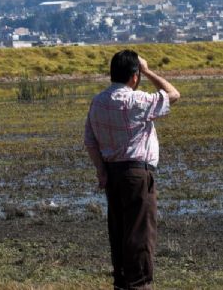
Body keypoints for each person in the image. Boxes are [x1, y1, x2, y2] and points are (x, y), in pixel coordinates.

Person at [84, 50, 181, 290]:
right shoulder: (135, 101)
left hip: (112, 174)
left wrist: (101, 171)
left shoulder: (98, 101)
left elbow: (90, 140)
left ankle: (121, 282)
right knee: (139, 235)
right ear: (134, 76)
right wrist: (148, 70)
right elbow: (173, 95)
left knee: (118, 234)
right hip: (136, 174)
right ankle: (139, 285)